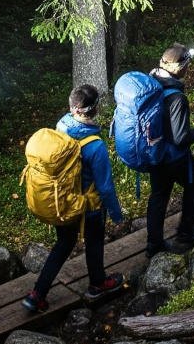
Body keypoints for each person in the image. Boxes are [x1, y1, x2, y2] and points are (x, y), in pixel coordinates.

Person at [22, 85, 124, 313]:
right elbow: (105, 187)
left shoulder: (62, 126)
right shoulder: (95, 146)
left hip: (64, 202)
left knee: (64, 244)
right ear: (95, 109)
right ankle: (97, 284)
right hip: (90, 205)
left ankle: (37, 294)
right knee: (94, 242)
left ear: (72, 107)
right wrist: (117, 214)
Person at [145, 44, 194, 257]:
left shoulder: (150, 82)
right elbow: (180, 138)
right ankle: (185, 232)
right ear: (180, 68)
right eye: (187, 64)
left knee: (159, 196)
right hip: (173, 157)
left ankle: (153, 244)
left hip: (153, 152)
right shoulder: (176, 98)